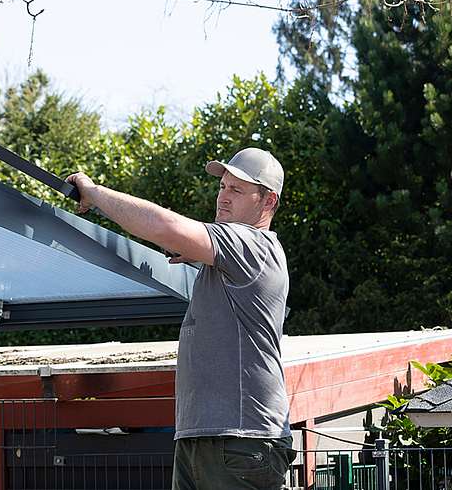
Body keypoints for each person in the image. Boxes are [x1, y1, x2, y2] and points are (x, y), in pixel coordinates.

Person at [66, 147, 296, 490]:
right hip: (207, 438)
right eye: (222, 187)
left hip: (240, 440)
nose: (223, 197)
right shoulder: (229, 257)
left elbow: (162, 226)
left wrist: (95, 193)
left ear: (268, 202)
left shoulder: (253, 244)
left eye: (236, 190)